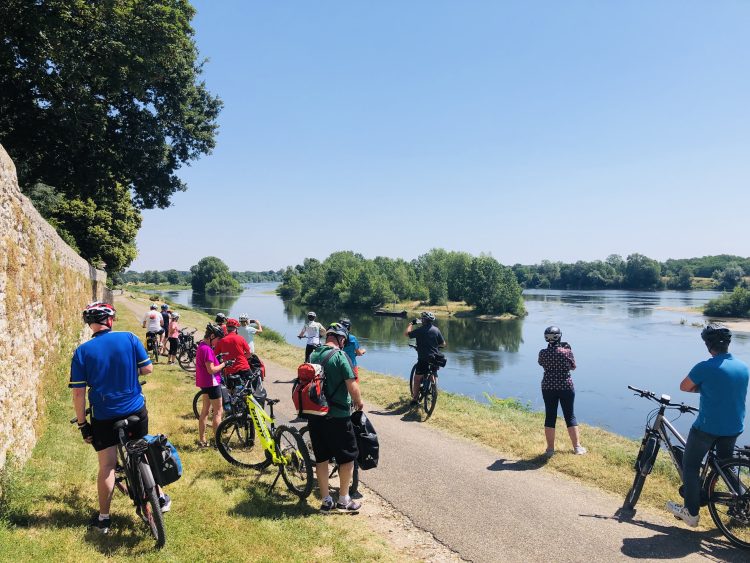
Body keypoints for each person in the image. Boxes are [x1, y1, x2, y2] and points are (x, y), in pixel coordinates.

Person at [70, 301, 170, 535]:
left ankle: (104, 519)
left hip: (104, 416)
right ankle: (161, 498)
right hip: (134, 410)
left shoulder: (82, 351)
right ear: (110, 320)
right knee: (142, 451)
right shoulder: (129, 338)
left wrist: (83, 425)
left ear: (90, 324)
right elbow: (147, 370)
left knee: (107, 466)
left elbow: (78, 393)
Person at [667, 323, 749, 527]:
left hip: (707, 428)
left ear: (708, 345)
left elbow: (684, 386)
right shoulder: (743, 367)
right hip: (733, 428)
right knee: (726, 466)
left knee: (691, 466)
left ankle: (691, 513)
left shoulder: (705, 367)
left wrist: (703, 389)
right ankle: (741, 507)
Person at [308, 323, 364, 514]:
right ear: (341, 339)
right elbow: (352, 384)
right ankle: (343, 500)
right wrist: (359, 402)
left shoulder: (314, 354)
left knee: (321, 458)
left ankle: (325, 501)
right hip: (338, 416)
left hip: (315, 414)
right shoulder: (341, 356)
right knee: (347, 458)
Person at [538, 326, 586, 456]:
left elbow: (541, 363)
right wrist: (568, 349)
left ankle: (550, 449)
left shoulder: (543, 353)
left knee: (550, 416)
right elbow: (573, 367)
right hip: (565, 386)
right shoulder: (566, 352)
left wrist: (551, 350)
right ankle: (577, 447)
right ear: (560, 336)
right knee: (570, 416)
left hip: (548, 387)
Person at [195, 323, 231, 447]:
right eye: (218, 339)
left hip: (205, 383)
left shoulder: (201, 346)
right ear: (211, 336)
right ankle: (218, 441)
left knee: (205, 411)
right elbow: (211, 370)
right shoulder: (207, 349)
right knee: (218, 412)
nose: (218, 342)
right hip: (212, 383)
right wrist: (224, 364)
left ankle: (202, 439)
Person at [405, 311, 445, 406]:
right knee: (433, 373)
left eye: (422, 318)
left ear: (424, 320)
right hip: (435, 358)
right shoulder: (436, 330)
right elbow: (443, 343)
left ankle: (415, 399)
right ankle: (434, 387)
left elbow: (407, 334)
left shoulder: (420, 330)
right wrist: (435, 345)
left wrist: (411, 323)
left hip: (423, 359)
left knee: (417, 378)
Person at [214, 318, 252, 383]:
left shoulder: (222, 341)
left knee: (231, 391)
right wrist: (241, 358)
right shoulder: (241, 338)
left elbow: (214, 355)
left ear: (226, 328)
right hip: (243, 367)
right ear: (236, 329)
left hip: (230, 371)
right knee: (249, 388)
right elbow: (249, 353)